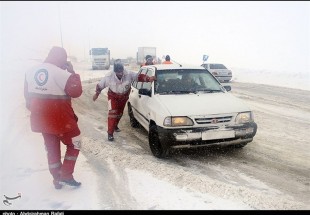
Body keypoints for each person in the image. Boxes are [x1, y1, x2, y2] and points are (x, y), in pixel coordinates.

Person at [24, 46, 83, 189]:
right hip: (62, 120)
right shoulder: (62, 74)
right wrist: (72, 72)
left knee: (52, 148)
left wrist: (40, 111)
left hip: (41, 120)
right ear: (62, 58)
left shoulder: (30, 72)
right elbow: (76, 92)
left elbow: (27, 98)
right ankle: (66, 175)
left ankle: (57, 179)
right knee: (75, 142)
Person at [92, 59, 156, 141]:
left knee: (119, 113)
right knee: (112, 113)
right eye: (118, 72)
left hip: (124, 96)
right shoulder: (109, 77)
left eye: (121, 71)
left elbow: (138, 77)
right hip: (113, 96)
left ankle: (115, 125)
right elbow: (100, 85)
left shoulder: (128, 73)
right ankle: (110, 133)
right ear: (115, 71)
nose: (121, 73)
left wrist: (148, 78)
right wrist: (96, 94)